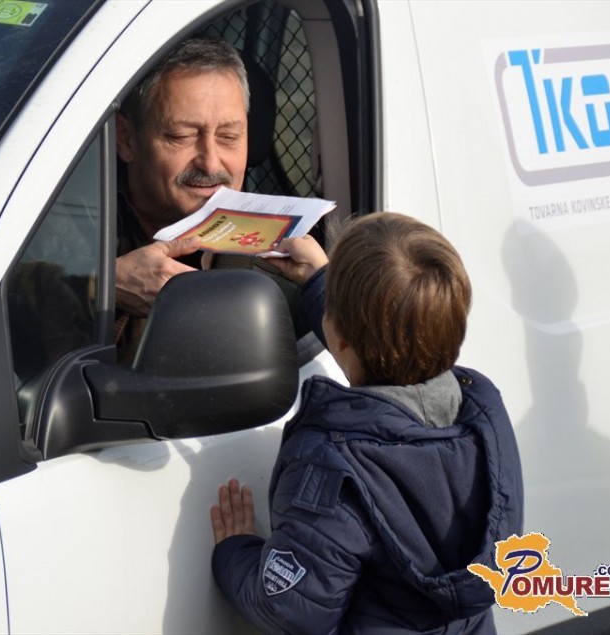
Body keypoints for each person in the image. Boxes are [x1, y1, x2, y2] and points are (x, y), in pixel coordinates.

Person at [209, 212, 524, 634]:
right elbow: (389, 340)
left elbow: (290, 610)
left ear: (339, 337)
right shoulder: (482, 414)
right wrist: (321, 282)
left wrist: (234, 552)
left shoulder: (332, 470)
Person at [113, 37, 250, 359]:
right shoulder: (58, 224)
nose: (211, 163)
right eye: (182, 137)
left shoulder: (284, 257)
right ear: (126, 138)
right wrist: (101, 285)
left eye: (228, 137)